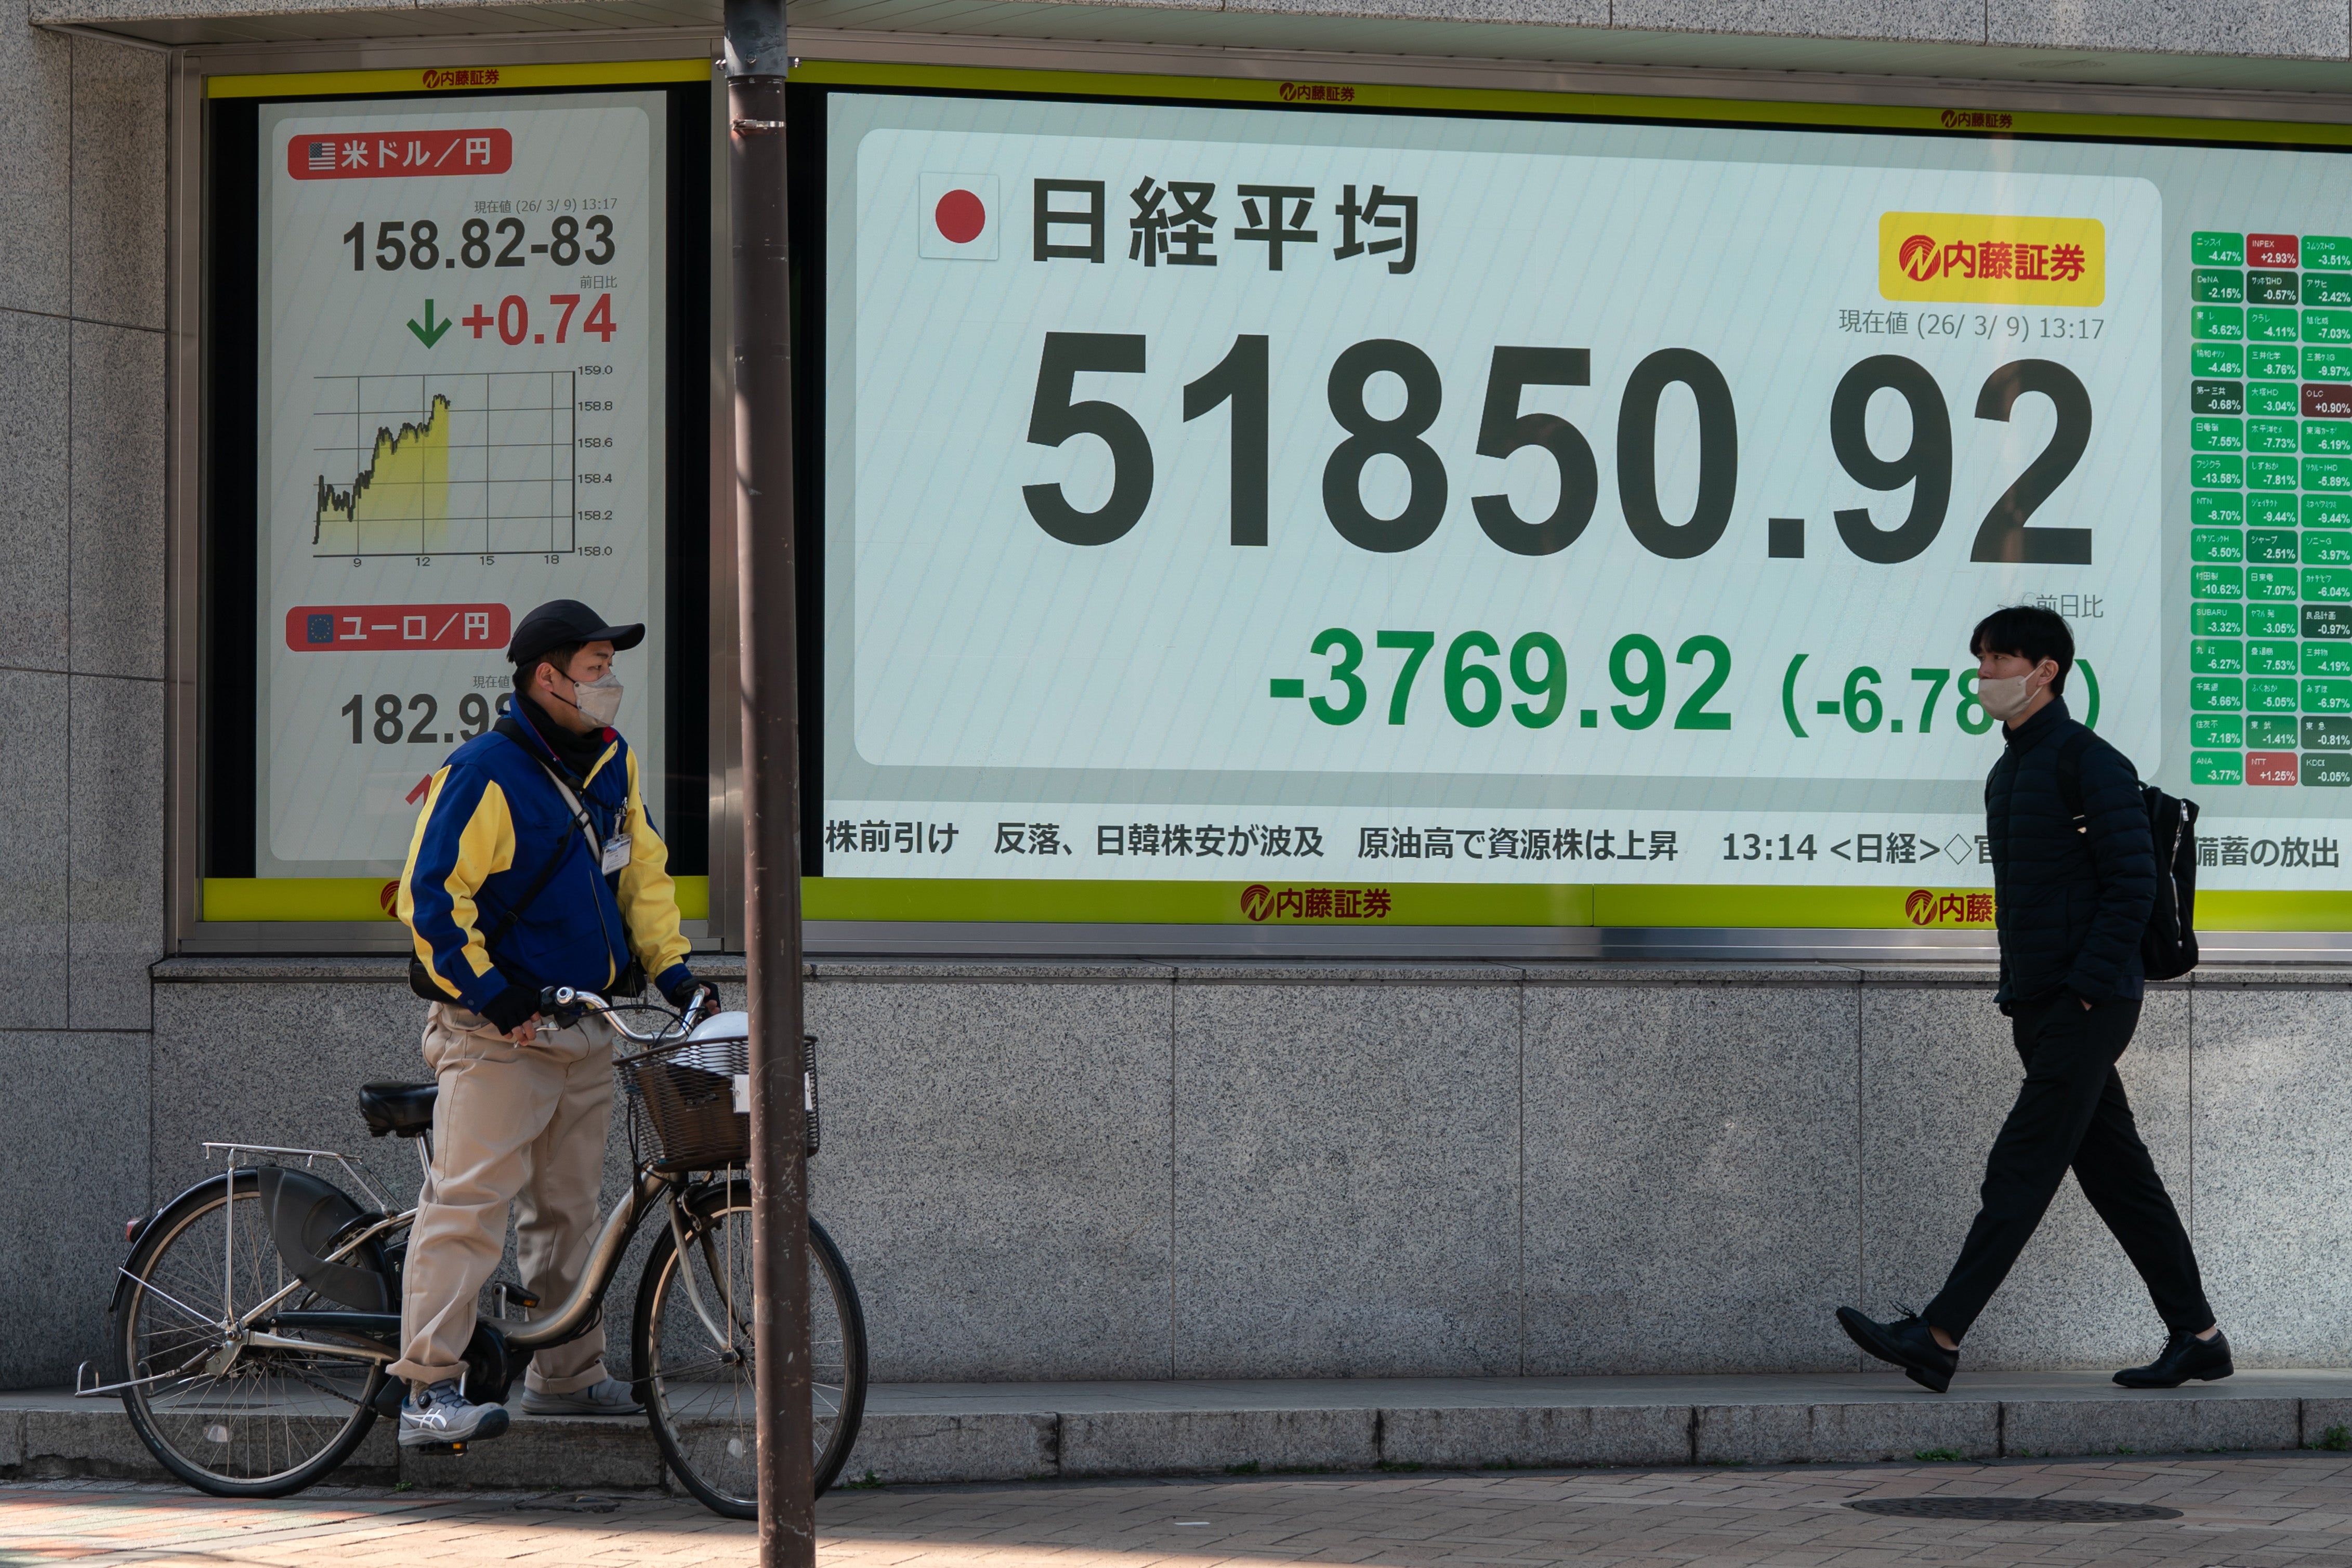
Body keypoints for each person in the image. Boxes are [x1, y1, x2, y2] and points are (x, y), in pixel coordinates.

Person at [1836, 604, 2227, 1394]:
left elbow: (2133, 886)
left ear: (2044, 669)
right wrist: (2028, 994)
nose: (1982, 678)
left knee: (2022, 1161)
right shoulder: (2009, 769)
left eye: (1995, 662)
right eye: (1980, 663)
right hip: (2040, 1001)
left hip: (2087, 1001)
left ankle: (1938, 1334)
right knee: (2118, 1174)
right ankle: (2199, 1335)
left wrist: (2084, 991)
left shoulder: (2091, 762)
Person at [390, 599, 713, 1448]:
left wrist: (675, 969)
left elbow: (641, 870)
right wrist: (494, 994)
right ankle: (424, 1390)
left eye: (610, 667)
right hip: (499, 1036)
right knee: (467, 1208)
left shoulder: (611, 763)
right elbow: (431, 896)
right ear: (546, 678)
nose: (609, 684)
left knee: (568, 1211)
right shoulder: (487, 771)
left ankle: (566, 1377)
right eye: (596, 668)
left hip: (582, 1027)